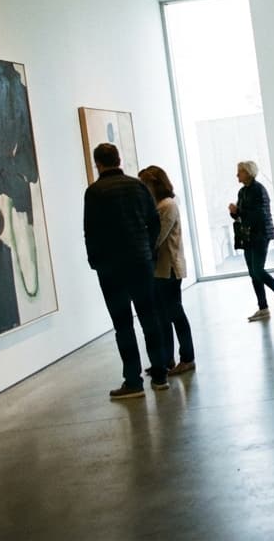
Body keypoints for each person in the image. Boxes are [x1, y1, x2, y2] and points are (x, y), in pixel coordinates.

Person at [83, 143, 168, 399]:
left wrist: (95, 261)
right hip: (140, 262)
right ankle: (161, 375)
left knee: (123, 325)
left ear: (98, 163)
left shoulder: (94, 192)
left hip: (111, 268)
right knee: (149, 318)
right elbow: (154, 222)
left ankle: (133, 381)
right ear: (119, 160)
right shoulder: (137, 186)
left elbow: (91, 231)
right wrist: (148, 249)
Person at [138, 165, 195, 376]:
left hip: (168, 267)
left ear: (155, 183)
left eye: (145, 184)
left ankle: (187, 357)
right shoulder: (160, 205)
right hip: (161, 268)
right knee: (164, 316)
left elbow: (158, 237)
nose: (143, 189)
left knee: (175, 314)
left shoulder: (167, 205)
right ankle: (167, 359)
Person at [228, 160, 274, 322]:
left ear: (248, 172)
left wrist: (239, 211)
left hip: (261, 235)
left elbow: (259, 215)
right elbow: (241, 215)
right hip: (248, 236)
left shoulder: (258, 190)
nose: (237, 175)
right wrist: (234, 212)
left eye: (240, 171)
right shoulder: (242, 192)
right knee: (253, 272)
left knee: (257, 270)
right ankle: (263, 308)